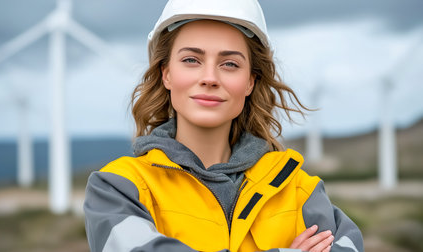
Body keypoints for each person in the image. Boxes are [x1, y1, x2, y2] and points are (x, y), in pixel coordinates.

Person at [83, 0, 364, 251]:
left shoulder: (298, 190)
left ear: (250, 82)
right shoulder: (118, 188)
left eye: (229, 64)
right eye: (191, 60)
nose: (209, 77)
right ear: (166, 74)